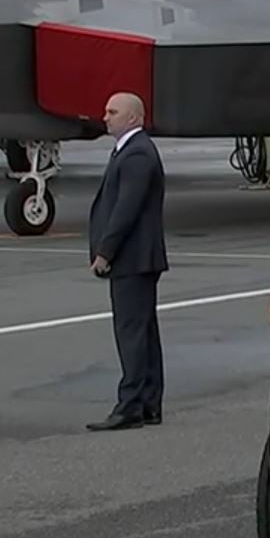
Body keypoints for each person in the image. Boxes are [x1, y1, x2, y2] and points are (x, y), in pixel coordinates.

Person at [86, 91, 169, 431]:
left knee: (132, 332)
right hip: (137, 259)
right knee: (142, 331)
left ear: (133, 117)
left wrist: (105, 251)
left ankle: (131, 405)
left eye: (112, 111)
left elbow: (126, 209)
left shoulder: (137, 154)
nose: (105, 117)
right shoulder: (131, 150)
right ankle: (148, 403)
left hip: (132, 259)